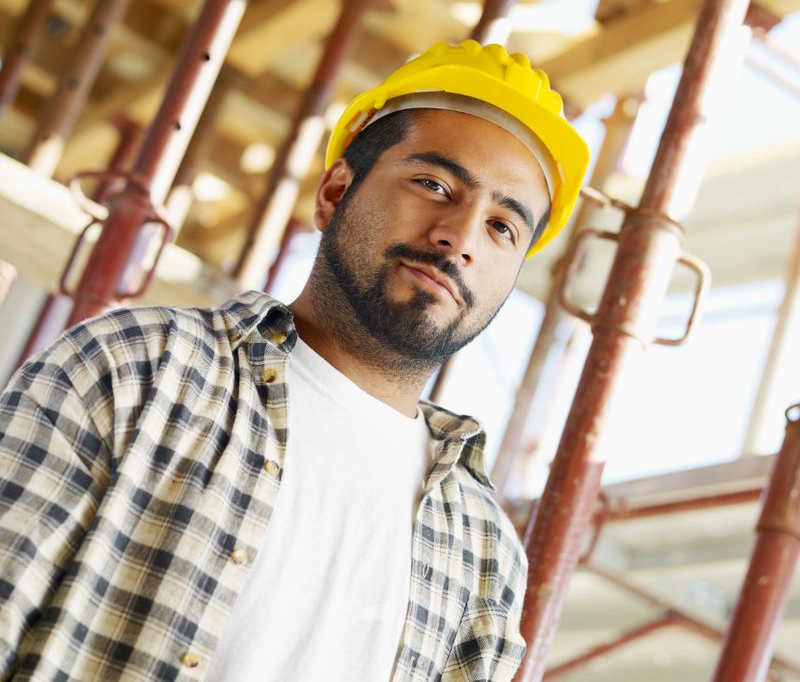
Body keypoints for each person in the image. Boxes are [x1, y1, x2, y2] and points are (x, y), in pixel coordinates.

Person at [0, 40, 589, 682]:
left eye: (504, 227)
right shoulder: (137, 369)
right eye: (434, 184)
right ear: (336, 192)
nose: (460, 237)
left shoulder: (483, 549)